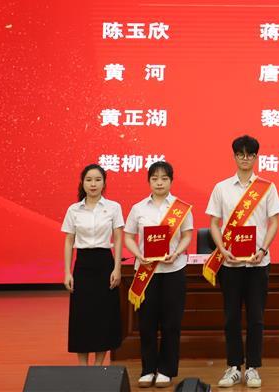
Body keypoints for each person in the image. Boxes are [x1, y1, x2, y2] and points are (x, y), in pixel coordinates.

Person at [205, 135, 279, 389]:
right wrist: (221, 249)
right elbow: (213, 223)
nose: (245, 158)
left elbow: (275, 222)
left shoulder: (267, 187)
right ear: (234, 156)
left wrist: (263, 248)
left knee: (256, 318)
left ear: (256, 157)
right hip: (230, 264)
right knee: (231, 317)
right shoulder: (221, 188)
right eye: (241, 154)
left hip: (258, 262)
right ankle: (233, 367)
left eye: (250, 154)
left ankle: (252, 368)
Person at [124, 161, 194, 388]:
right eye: (155, 178)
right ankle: (148, 369)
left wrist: (177, 252)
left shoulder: (181, 208)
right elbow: (128, 237)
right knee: (147, 323)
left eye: (164, 178)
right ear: (149, 181)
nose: (159, 183)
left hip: (173, 270)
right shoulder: (138, 208)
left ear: (171, 181)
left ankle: (166, 370)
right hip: (146, 271)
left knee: (171, 323)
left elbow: (187, 235)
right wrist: (138, 255)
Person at [62, 163, 124, 365]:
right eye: (89, 180)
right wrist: (67, 272)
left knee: (103, 315)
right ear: (82, 183)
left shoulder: (113, 207)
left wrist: (117, 268)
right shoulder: (74, 210)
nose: (93, 184)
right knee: (82, 316)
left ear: (104, 183)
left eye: (98, 180)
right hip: (83, 265)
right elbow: (69, 241)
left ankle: (98, 365)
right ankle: (83, 367)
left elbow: (118, 238)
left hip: (105, 263)